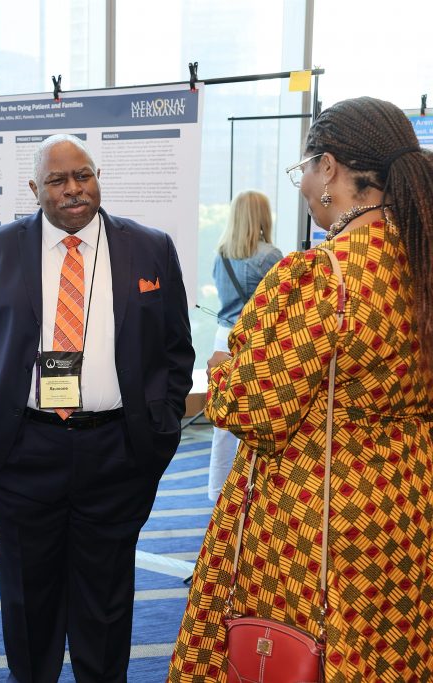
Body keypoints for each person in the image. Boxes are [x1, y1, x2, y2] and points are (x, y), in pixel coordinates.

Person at [170, 97, 433, 680]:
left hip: (319, 512)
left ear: (329, 167)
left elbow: (251, 408)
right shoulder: (420, 262)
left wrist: (224, 367)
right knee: (390, 651)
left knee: (302, 650)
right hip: (408, 503)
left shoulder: (322, 275)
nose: (305, 187)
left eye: (304, 171)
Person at [0, 134, 194, 682]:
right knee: (27, 599)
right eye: (57, 180)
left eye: (83, 175)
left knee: (106, 601)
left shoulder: (150, 247)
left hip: (117, 451)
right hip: (21, 450)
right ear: (34, 189)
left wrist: (162, 423)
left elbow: (176, 349)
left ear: (98, 176)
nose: (73, 189)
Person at [207, 190, 282, 501]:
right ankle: (246, 491)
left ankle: (217, 490)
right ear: (262, 216)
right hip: (251, 340)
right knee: (252, 417)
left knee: (222, 421)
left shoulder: (221, 254)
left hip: (221, 336)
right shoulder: (270, 255)